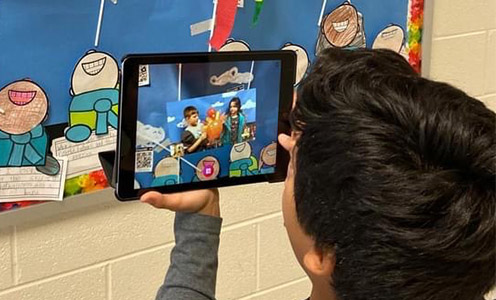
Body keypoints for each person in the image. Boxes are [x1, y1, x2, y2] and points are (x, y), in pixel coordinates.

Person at [141, 48, 496, 300]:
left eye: (294, 163)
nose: (286, 144)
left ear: (323, 255)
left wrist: (197, 230)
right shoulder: (459, 263)